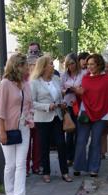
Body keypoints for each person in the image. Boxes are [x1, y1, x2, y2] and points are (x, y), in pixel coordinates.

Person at [0, 53, 34, 195]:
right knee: (10, 165)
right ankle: (10, 191)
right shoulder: (5, 84)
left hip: (24, 128)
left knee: (21, 165)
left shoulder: (26, 84)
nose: (28, 68)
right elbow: (1, 110)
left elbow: (29, 104)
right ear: (17, 66)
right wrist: (2, 131)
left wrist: (29, 117)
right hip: (8, 129)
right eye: (25, 65)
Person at [30, 55, 72, 183]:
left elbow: (59, 96)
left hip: (57, 116)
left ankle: (64, 172)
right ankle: (46, 172)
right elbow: (32, 103)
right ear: (43, 67)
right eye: (50, 64)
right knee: (44, 146)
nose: (53, 66)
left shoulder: (56, 79)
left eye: (52, 64)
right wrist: (47, 106)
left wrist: (62, 103)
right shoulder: (35, 82)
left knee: (61, 144)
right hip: (42, 119)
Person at [73, 54, 108, 177]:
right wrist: (79, 92)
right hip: (85, 112)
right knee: (81, 140)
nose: (89, 67)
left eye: (92, 64)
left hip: (101, 115)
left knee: (96, 142)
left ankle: (94, 168)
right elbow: (82, 95)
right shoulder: (85, 78)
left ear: (99, 64)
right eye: (88, 65)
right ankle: (78, 166)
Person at [60, 53, 83, 167]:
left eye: (72, 63)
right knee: (69, 132)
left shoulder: (82, 74)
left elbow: (84, 88)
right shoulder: (64, 75)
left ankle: (78, 157)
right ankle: (69, 157)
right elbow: (60, 89)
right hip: (68, 105)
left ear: (76, 63)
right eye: (68, 64)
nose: (70, 66)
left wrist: (76, 89)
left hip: (79, 105)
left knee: (79, 132)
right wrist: (65, 91)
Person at [25, 53, 41, 176]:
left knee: (37, 142)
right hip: (26, 116)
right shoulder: (23, 80)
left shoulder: (39, 80)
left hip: (38, 114)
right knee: (26, 143)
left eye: (35, 65)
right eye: (32, 65)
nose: (33, 67)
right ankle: (25, 168)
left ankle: (36, 166)